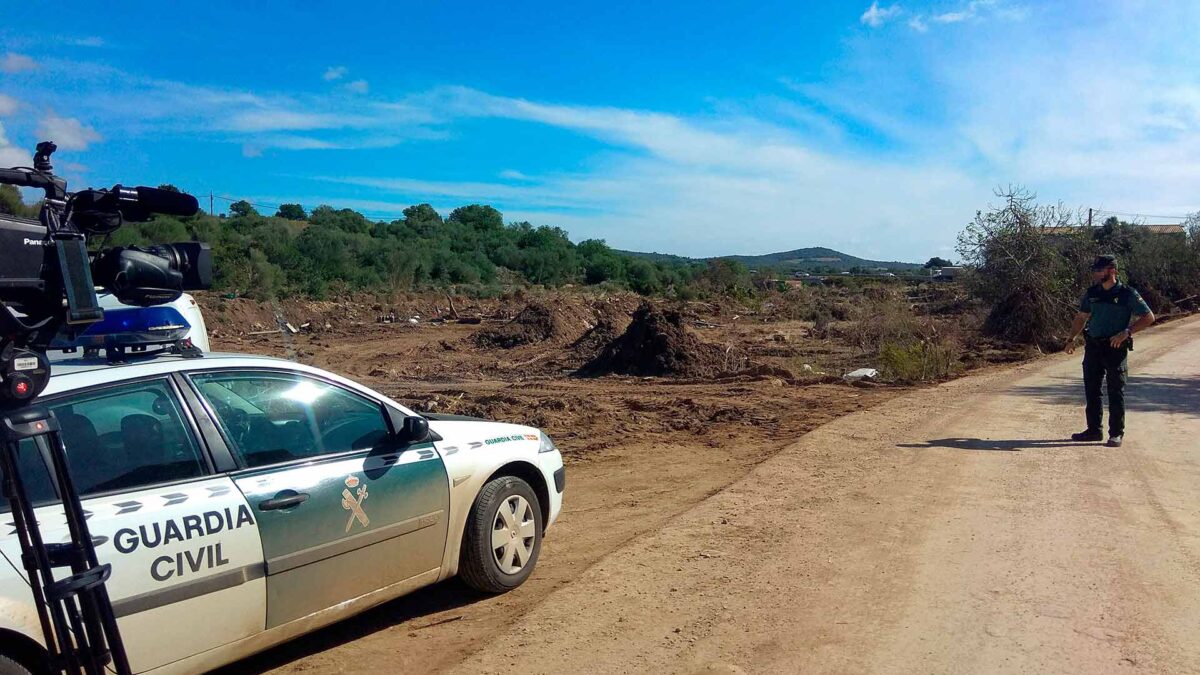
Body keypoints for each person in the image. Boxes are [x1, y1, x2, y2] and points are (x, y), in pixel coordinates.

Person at [1064, 255, 1155, 447]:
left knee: (1115, 390)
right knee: (1092, 390)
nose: (1096, 273)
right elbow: (1081, 317)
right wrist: (1071, 339)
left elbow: (1148, 317)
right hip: (1094, 347)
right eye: (1095, 270)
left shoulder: (1127, 293)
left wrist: (1127, 332)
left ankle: (1116, 434)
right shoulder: (1092, 293)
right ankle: (1093, 430)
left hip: (1115, 348)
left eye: (1100, 270)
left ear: (1112, 271)